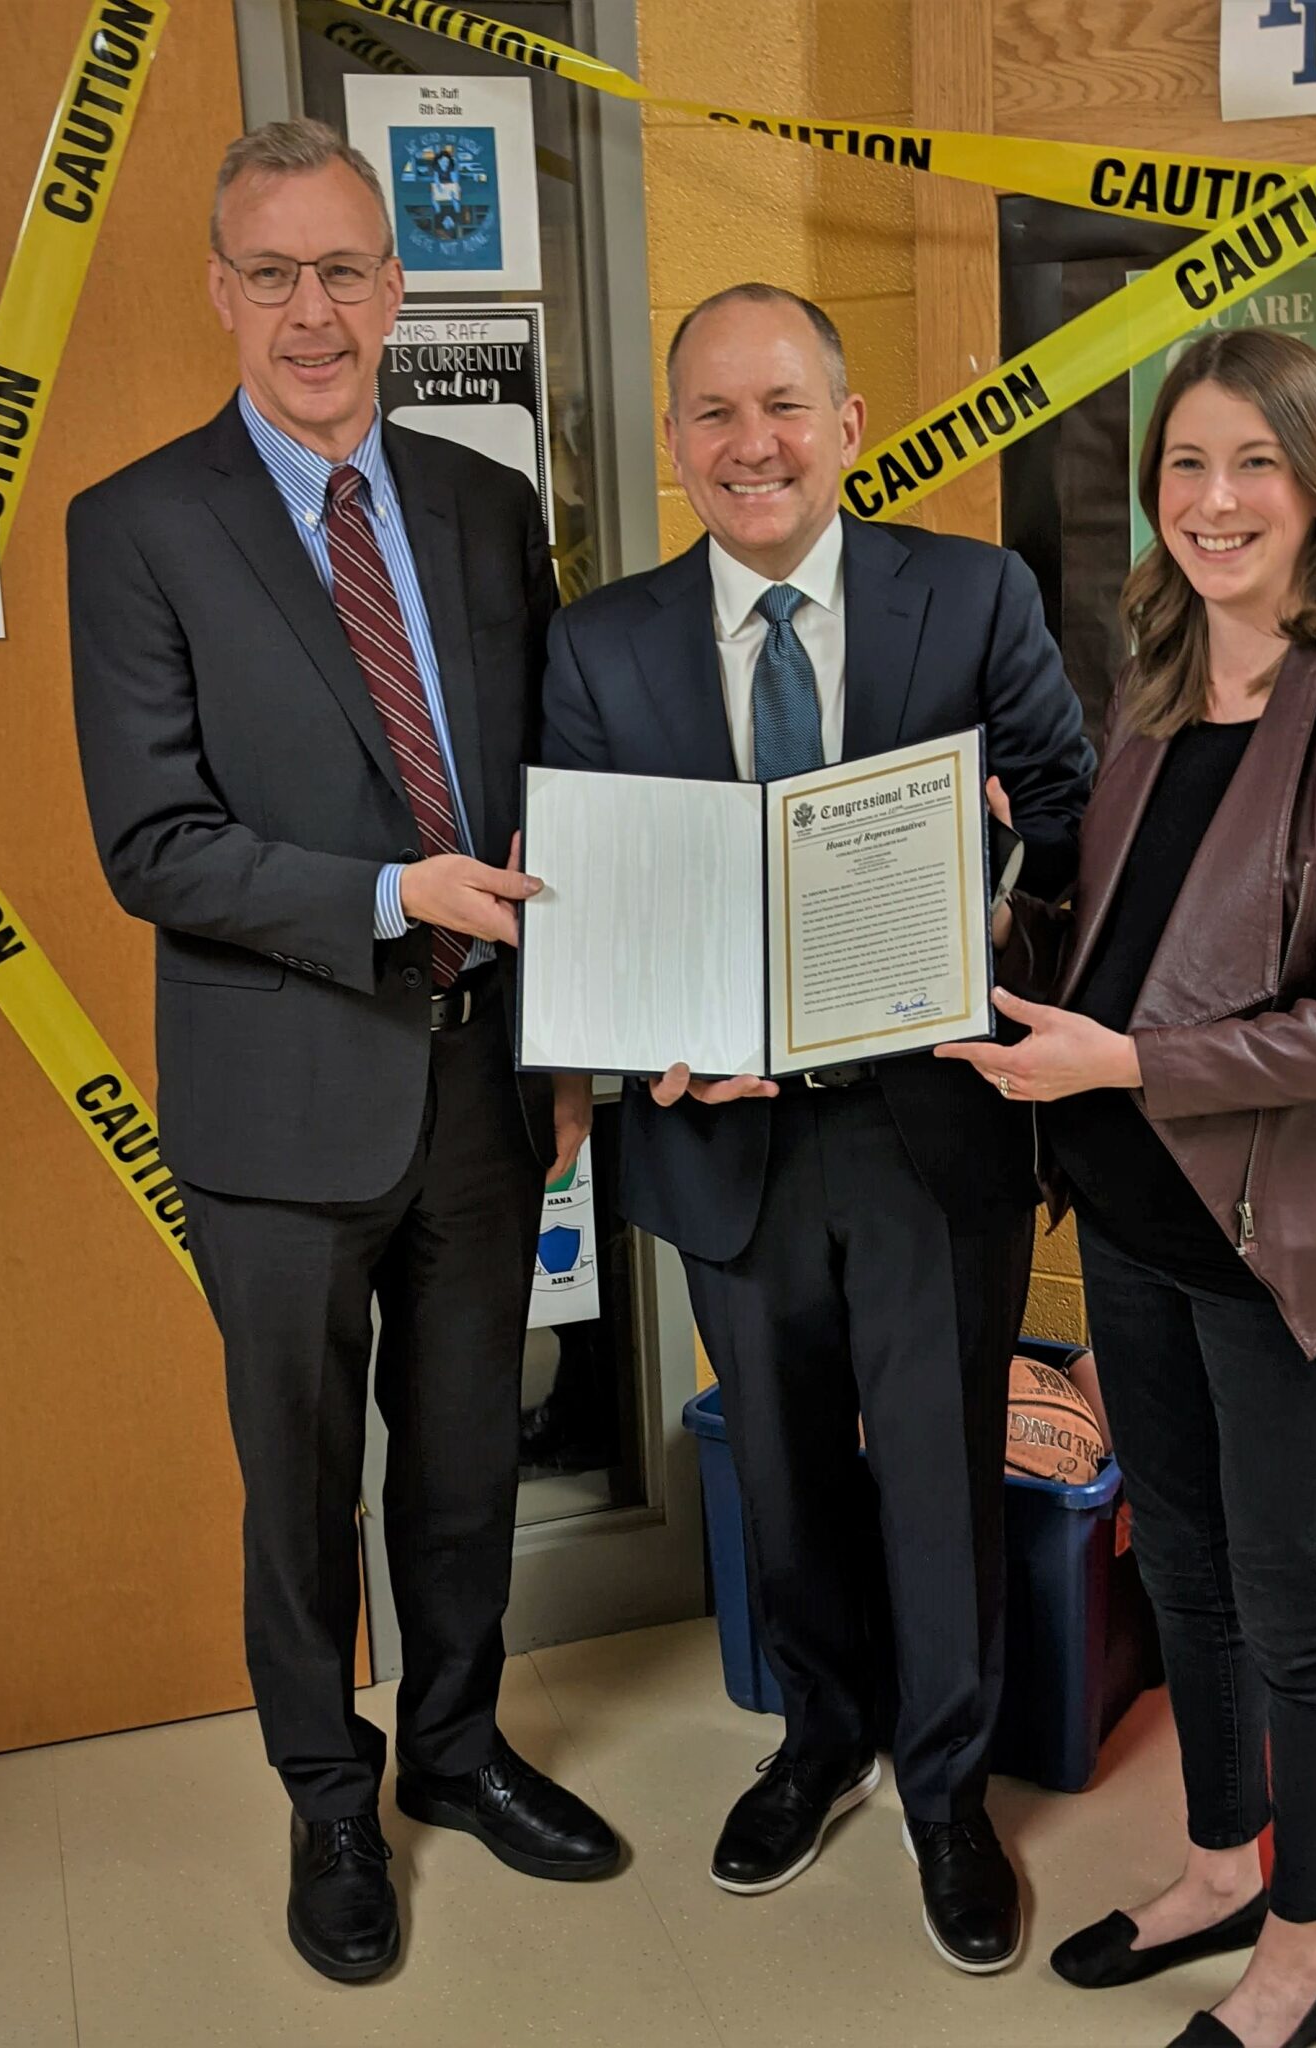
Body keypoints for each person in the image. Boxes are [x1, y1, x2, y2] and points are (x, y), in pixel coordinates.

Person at [67, 119, 618, 1985]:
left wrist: (564, 1054)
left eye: (348, 271)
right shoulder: (136, 528)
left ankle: (457, 1752)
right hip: (278, 1106)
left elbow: (545, 801)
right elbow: (155, 842)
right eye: (276, 274)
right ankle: (330, 1792)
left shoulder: (478, 507)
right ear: (222, 290)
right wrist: (397, 894)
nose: (317, 313)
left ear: (397, 286)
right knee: (300, 1482)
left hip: (481, 1092)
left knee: (465, 1461)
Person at [541, 282, 1094, 1974]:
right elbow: (579, 895)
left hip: (931, 1129)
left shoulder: (976, 590)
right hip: (727, 1146)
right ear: (675, 449)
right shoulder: (600, 643)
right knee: (780, 1474)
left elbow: (1067, 813)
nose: (750, 444)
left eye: (782, 405)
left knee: (940, 1482)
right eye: (712, 415)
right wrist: (649, 1054)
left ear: (848, 426)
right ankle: (819, 1738)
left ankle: (945, 1795)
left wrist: (999, 869)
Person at [939, 328, 1316, 2048]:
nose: (1214, 499)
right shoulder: (1163, 685)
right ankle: (1220, 1863)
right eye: (1184, 464)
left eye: (1252, 461)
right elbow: (1129, 950)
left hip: (1291, 1246)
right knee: (1179, 1575)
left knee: (1297, 1611)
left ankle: (1302, 1957)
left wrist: (1128, 1067)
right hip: (1142, 1215)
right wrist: (985, 908)